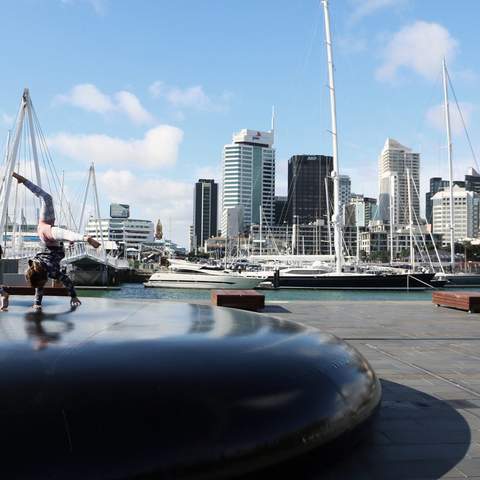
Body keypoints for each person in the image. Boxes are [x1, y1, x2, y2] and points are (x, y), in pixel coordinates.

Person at [13, 172, 101, 310]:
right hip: (45, 230)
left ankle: (84, 238)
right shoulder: (34, 265)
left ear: (44, 279)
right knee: (47, 198)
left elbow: (66, 281)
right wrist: (37, 303)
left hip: (50, 241)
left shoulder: (51, 272)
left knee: (64, 233)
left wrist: (73, 296)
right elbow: (38, 284)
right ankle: (23, 181)